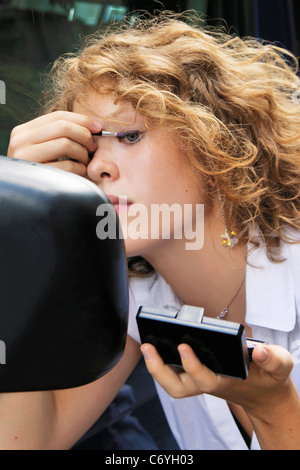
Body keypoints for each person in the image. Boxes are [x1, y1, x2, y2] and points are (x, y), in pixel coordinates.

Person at [5, 11, 300, 450]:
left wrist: (272, 407)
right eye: (87, 145)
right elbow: (26, 443)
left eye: (128, 136)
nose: (98, 165)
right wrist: (20, 214)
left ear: (216, 141)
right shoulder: (134, 292)